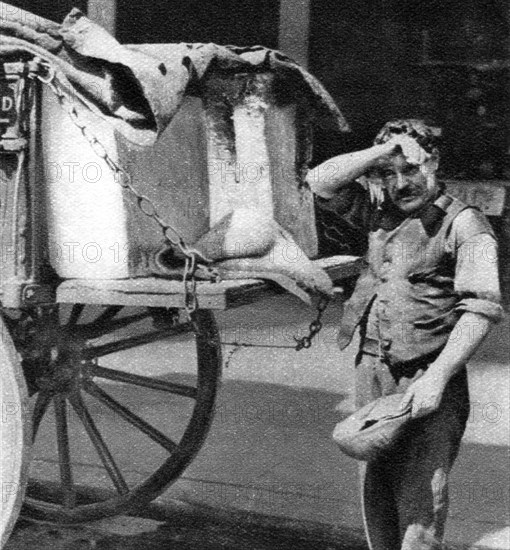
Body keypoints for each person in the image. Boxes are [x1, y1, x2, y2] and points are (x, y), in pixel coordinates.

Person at [306, 119, 503, 550]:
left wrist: (438, 377)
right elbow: (319, 181)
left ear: (433, 162)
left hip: (429, 377)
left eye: (410, 169)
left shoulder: (466, 225)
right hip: (373, 370)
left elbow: (481, 310)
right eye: (388, 174)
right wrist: (384, 153)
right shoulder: (380, 213)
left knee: (419, 505)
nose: (400, 183)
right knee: (375, 494)